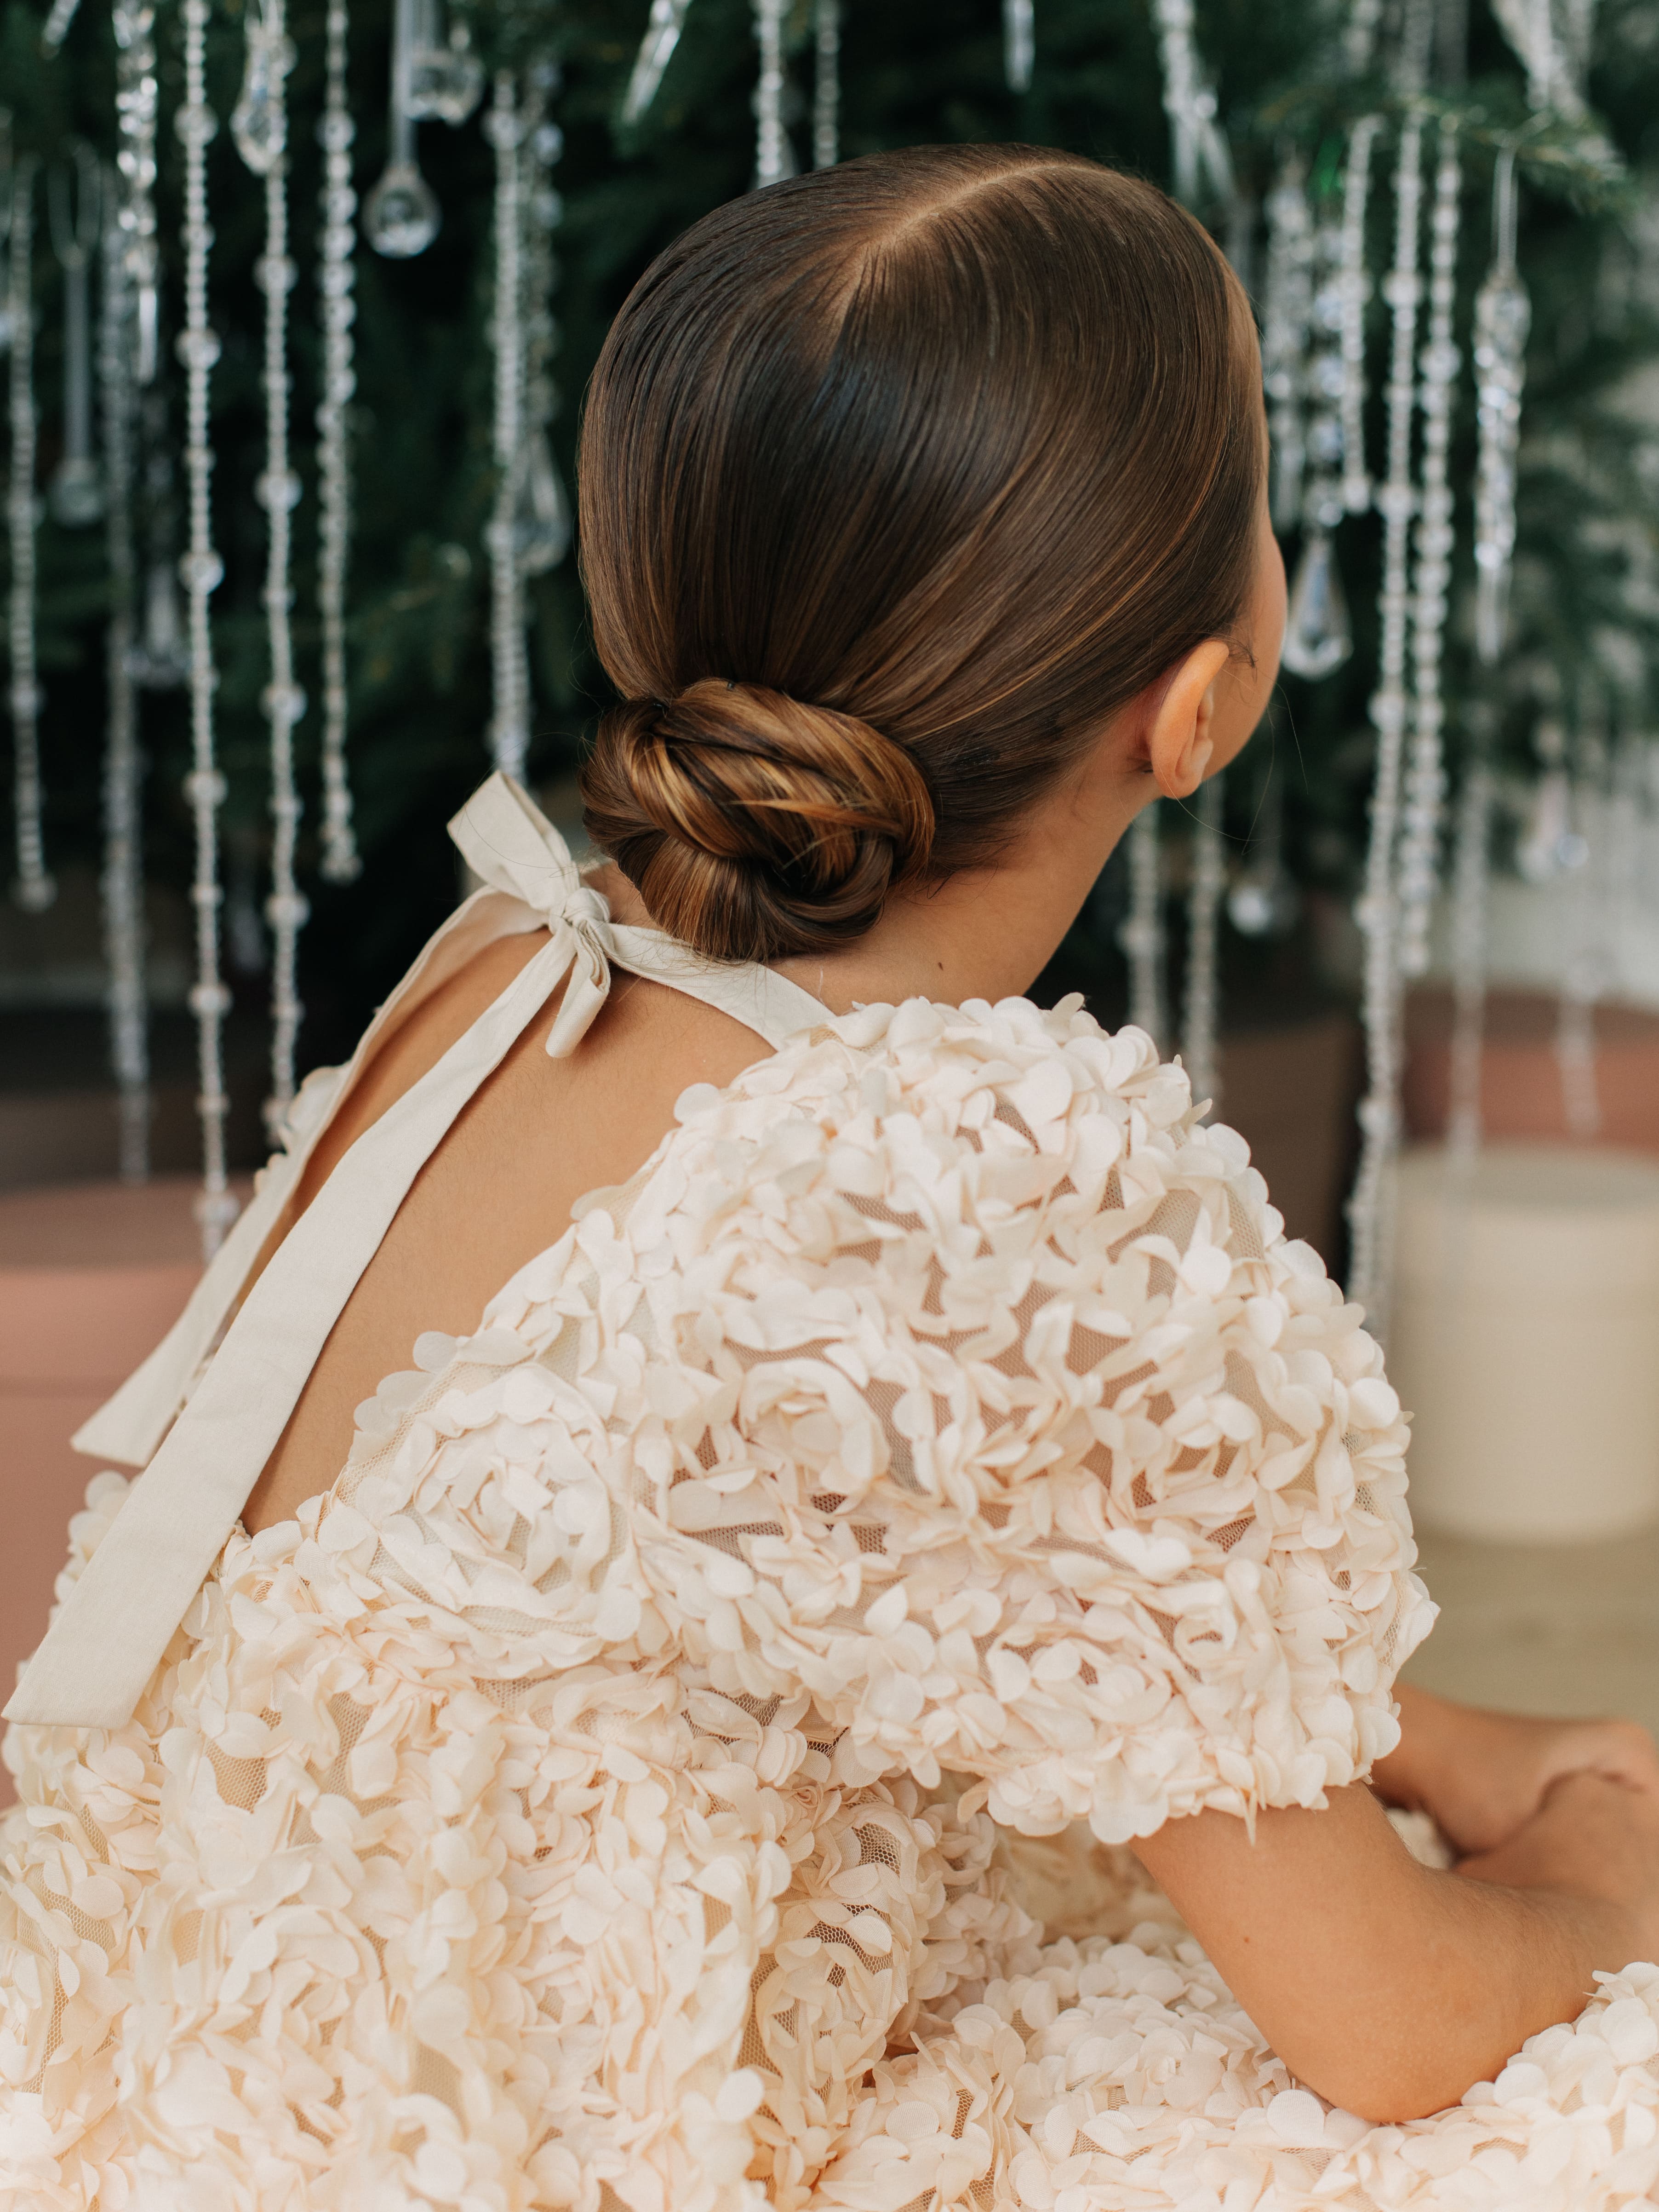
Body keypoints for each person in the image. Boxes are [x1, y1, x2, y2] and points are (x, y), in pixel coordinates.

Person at [3, 143, 1658, 2212]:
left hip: (169, 2062)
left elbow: (900, 1545)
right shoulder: (959, 1179)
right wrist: (1601, 1866)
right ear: (1200, 703)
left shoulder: (521, 953)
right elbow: (1392, 2027)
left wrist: (1422, 1740)